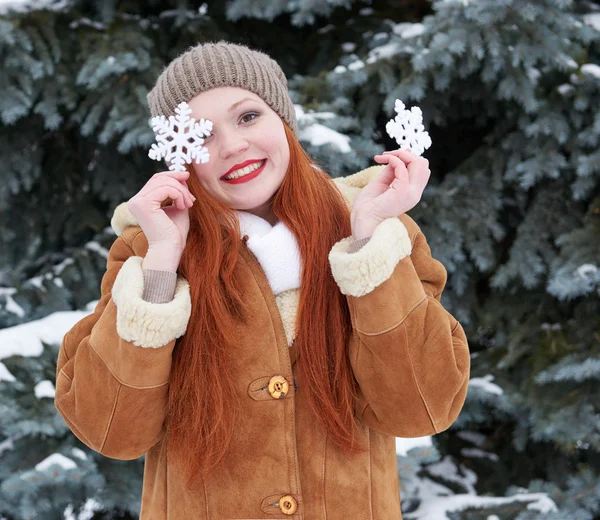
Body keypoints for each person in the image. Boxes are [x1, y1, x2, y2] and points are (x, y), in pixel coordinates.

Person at [55, 41, 470, 520]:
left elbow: (423, 408)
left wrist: (369, 245)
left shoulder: (378, 233)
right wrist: (162, 269)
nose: (231, 145)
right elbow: (112, 432)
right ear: (180, 155)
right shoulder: (150, 250)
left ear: (283, 120)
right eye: (202, 134)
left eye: (248, 116)